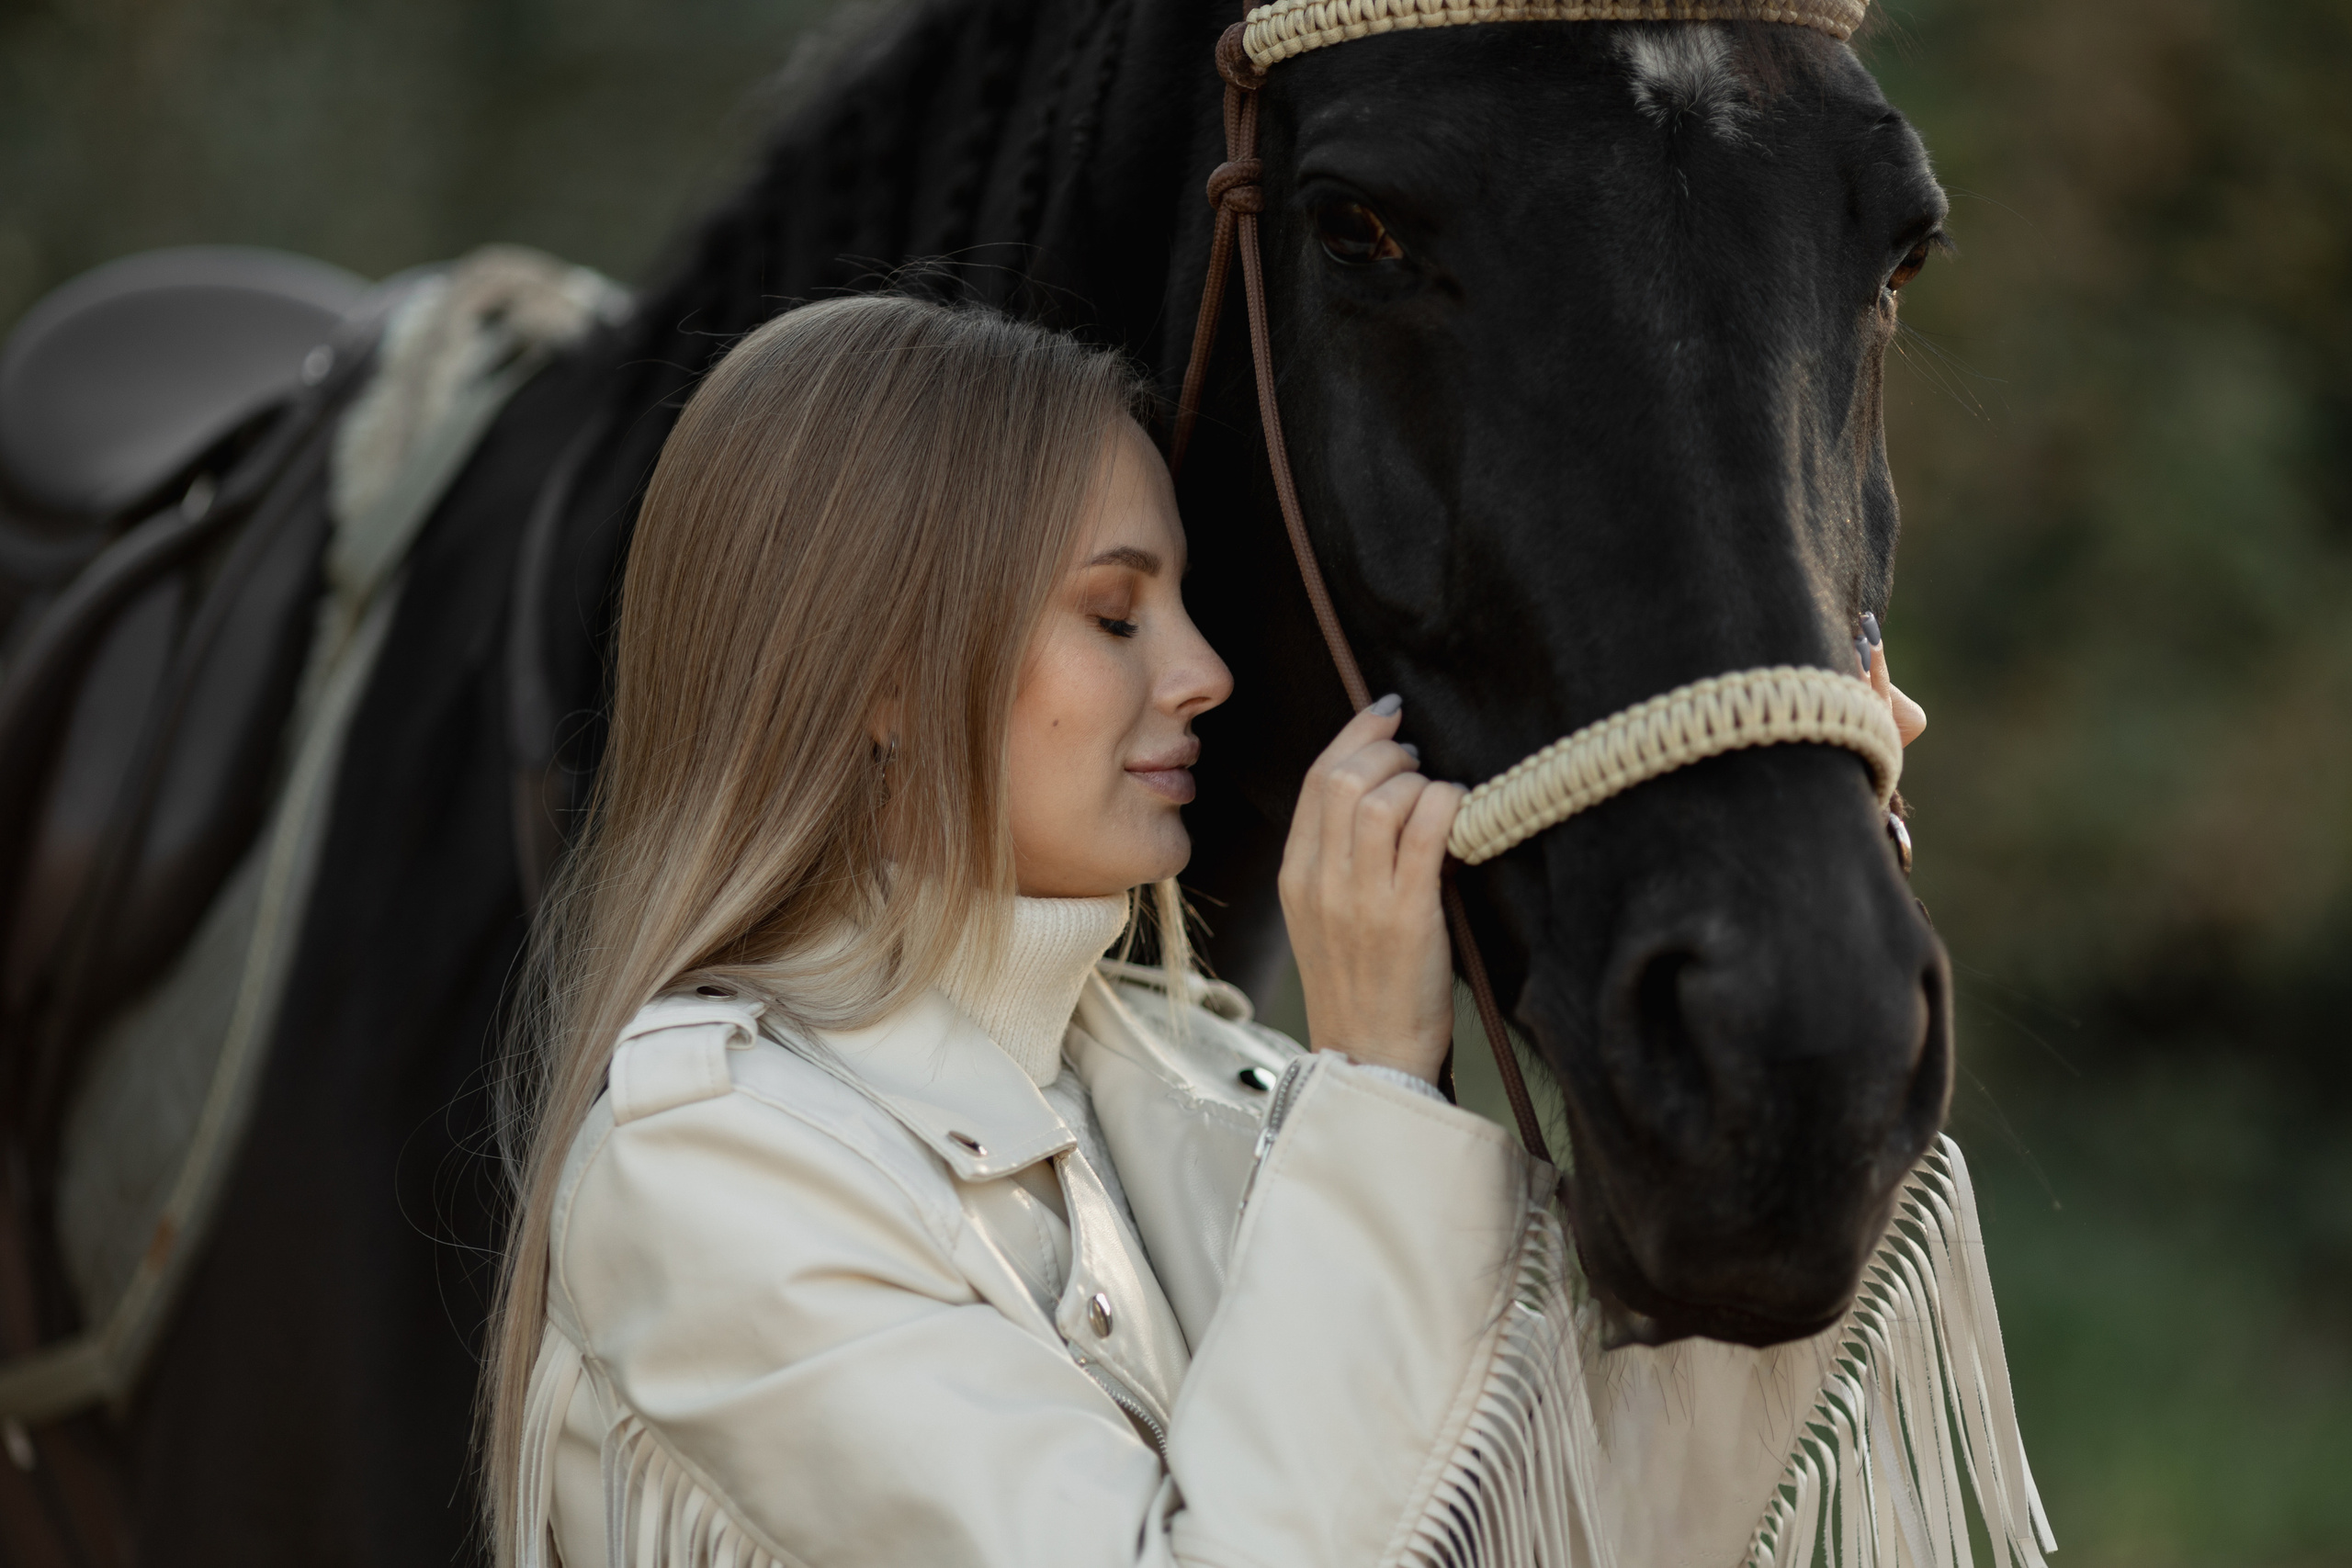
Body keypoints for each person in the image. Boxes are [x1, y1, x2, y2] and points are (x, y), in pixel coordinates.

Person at [482, 294, 1960, 1568]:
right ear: (875, 675)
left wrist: (1798, 1018)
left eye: (1181, 607)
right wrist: (1377, 1075)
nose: (1200, 673)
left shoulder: (1206, 1081)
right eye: (1116, 616)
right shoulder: (714, 1170)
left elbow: (1609, 1523)